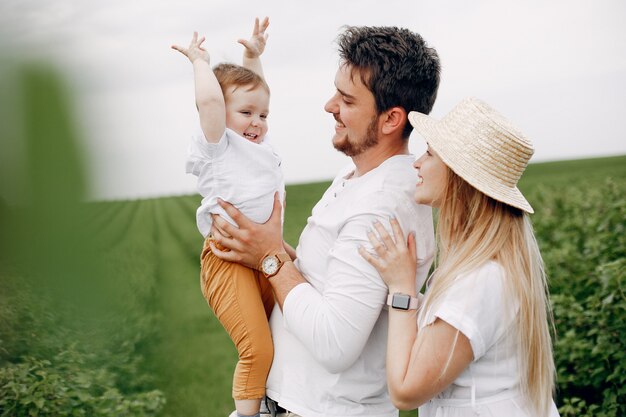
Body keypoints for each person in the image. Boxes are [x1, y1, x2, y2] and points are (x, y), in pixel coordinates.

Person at [209, 26, 441, 416]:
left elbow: (335, 343)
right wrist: (268, 247)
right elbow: (331, 282)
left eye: (347, 99)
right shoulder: (359, 178)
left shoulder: (380, 205)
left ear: (390, 120)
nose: (329, 105)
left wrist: (270, 259)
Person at [358, 97, 560, 416]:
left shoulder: (479, 280)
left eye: (430, 154)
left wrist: (402, 289)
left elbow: (405, 391)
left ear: (459, 178)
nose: (417, 163)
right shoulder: (479, 268)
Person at [171, 18, 285, 417]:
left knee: (286, 336)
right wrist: (200, 63)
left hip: (262, 256)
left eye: (263, 116)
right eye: (247, 114)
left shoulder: (258, 142)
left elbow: (257, 94)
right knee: (257, 347)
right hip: (229, 260)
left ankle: (274, 402)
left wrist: (252, 56)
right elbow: (212, 103)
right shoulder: (218, 145)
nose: (256, 122)